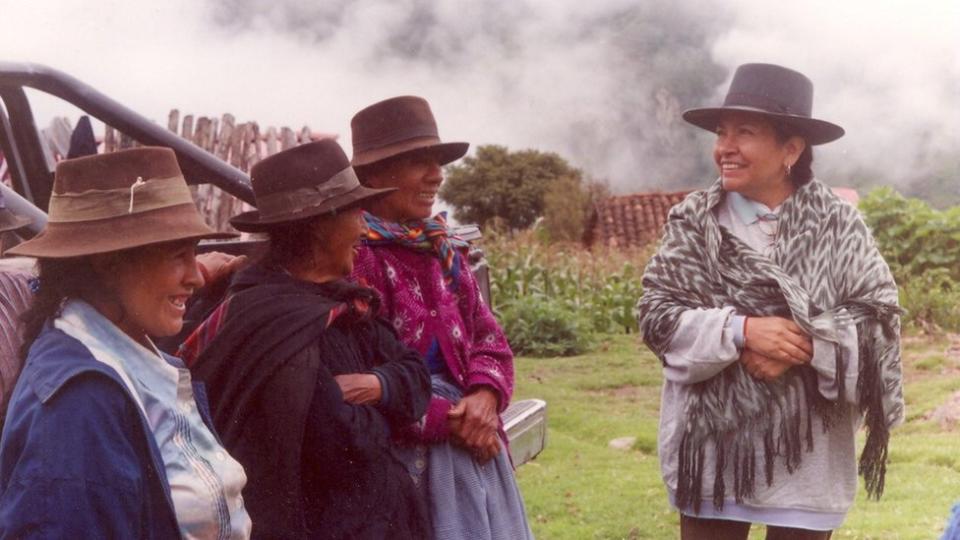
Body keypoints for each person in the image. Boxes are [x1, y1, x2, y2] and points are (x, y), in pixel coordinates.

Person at [636, 63, 904, 539]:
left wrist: (802, 346)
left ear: (792, 149)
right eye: (721, 133)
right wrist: (742, 332)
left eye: (746, 132)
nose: (725, 148)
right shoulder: (694, 223)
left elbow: (879, 320)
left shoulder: (839, 226)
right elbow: (658, 316)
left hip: (810, 460)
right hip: (714, 459)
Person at [180, 139, 433, 539]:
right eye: (355, 214)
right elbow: (343, 444)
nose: (364, 228)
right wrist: (391, 408)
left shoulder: (346, 304)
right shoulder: (272, 322)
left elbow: (417, 375)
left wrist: (376, 385)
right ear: (320, 225)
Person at [0, 147, 252, 538]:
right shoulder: (79, 405)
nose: (196, 277)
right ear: (108, 262)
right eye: (177, 255)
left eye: (195, 254)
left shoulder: (123, 354)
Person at [350, 95, 534, 539]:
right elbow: (358, 376)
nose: (437, 175)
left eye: (437, 161)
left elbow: (488, 337)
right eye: (420, 162)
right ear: (375, 175)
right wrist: (451, 421)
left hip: (471, 441)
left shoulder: (439, 248)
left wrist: (485, 398)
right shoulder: (356, 259)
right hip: (406, 458)